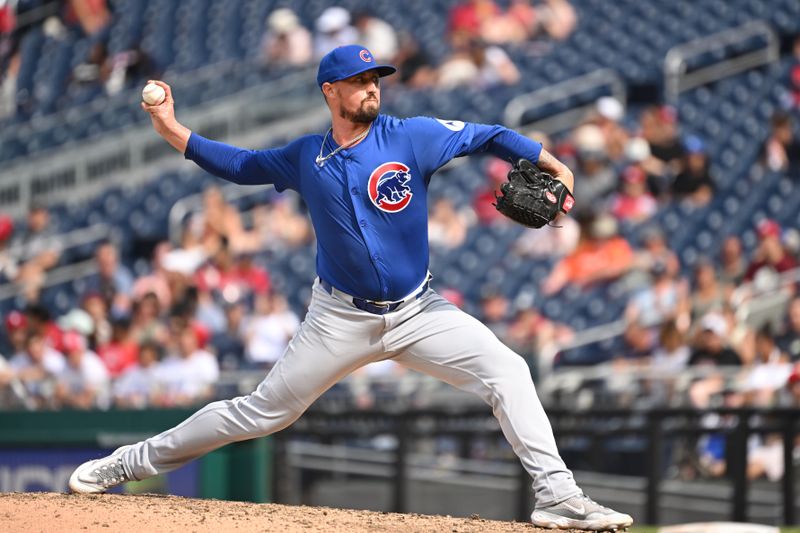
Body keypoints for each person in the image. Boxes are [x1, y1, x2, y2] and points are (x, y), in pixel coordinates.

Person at [69, 44, 632, 531]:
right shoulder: (304, 158)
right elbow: (239, 164)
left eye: (375, 80)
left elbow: (489, 135)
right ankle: (129, 462)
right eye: (360, 82)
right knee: (263, 412)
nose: (372, 89)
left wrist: (551, 162)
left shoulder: (412, 138)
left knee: (508, 370)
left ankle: (559, 497)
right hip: (338, 318)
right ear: (330, 91)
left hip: (419, 311)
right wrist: (170, 128)